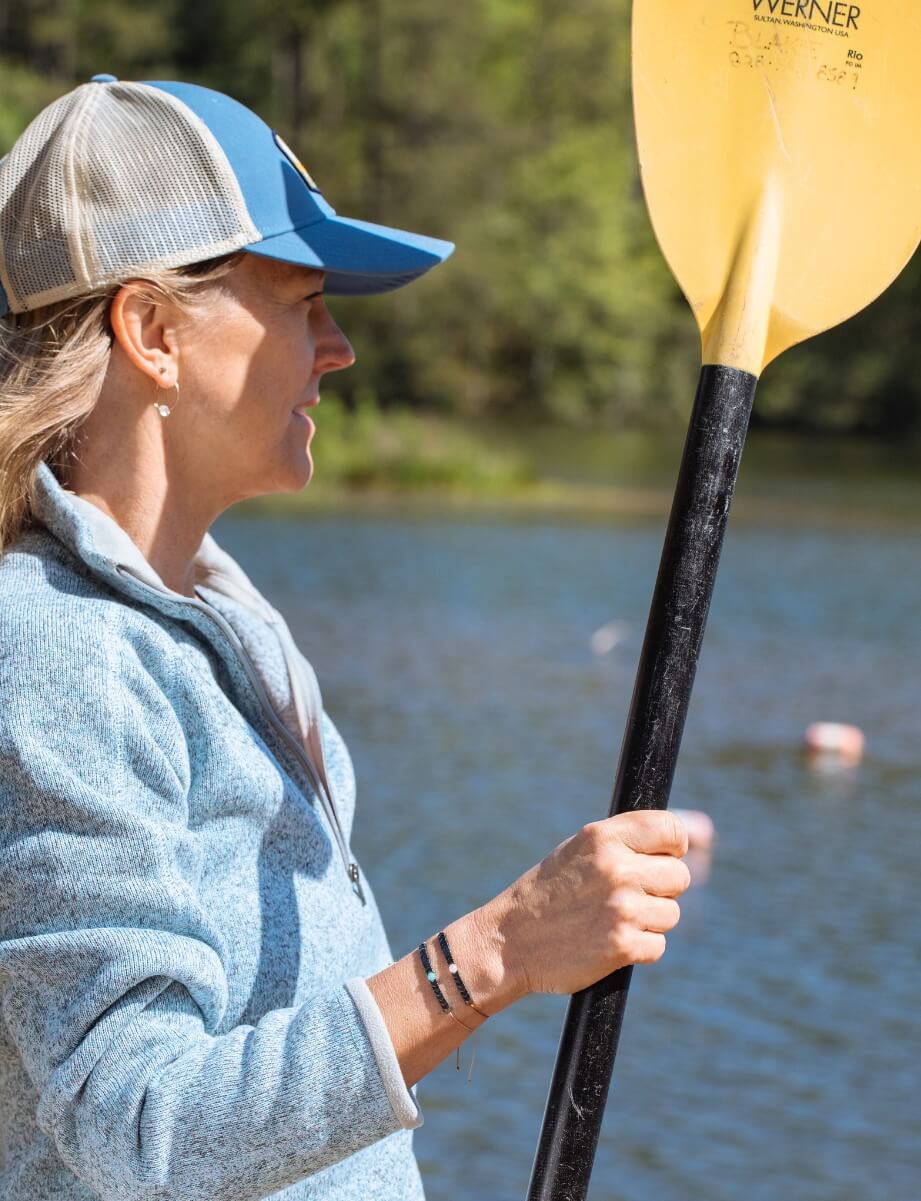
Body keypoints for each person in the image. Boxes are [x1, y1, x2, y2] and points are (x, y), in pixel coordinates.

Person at [0, 76, 690, 1201]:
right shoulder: (60, 656)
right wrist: (501, 951)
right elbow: (141, 1131)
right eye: (300, 298)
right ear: (153, 331)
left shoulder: (229, 614)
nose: (341, 347)